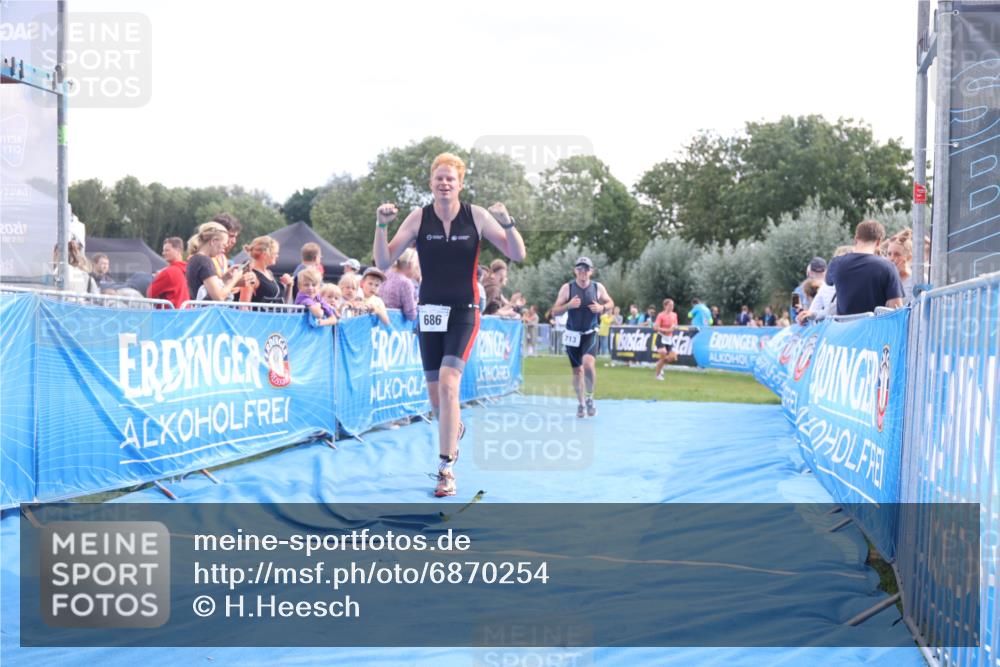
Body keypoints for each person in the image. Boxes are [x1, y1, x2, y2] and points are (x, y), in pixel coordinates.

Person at [373, 152, 526, 497]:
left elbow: (517, 254)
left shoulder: (476, 216)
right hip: (430, 310)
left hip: (463, 310)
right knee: (436, 397)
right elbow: (383, 260)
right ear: (431, 183)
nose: (444, 183)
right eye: (439, 178)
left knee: (448, 382)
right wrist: (381, 225)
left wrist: (508, 223)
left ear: (459, 183)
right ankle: (451, 428)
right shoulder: (418, 218)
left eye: (450, 179)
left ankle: (446, 469)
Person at [550, 256, 614, 418]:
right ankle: (581, 404)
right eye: (580, 269)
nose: (583, 272)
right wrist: (568, 305)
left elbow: (611, 303)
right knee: (577, 371)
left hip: (590, 333)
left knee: (588, 364)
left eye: (586, 269)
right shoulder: (567, 288)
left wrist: (602, 307)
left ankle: (590, 397)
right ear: (575, 271)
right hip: (572, 335)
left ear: (591, 271)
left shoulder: (597, 287)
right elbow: (554, 311)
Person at [825, 220, 904, 316]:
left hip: (844, 328)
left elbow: (828, 282)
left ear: (856, 238)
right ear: (879, 241)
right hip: (875, 329)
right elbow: (896, 309)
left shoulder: (836, 263)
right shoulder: (888, 267)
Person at [186, 222, 244, 302]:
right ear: (214, 241)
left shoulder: (194, 258)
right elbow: (219, 297)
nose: (223, 250)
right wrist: (235, 279)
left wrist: (224, 279)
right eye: (223, 245)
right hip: (208, 313)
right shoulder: (205, 261)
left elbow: (205, 288)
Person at [239, 236, 291, 305]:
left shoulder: (270, 273)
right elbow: (244, 306)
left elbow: (283, 303)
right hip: (258, 315)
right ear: (265, 255)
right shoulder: (251, 276)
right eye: (275, 253)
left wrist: (290, 285)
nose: (277, 256)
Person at [147, 237, 189, 308]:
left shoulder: (169, 272)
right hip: (185, 314)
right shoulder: (187, 269)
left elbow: (149, 293)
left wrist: (158, 277)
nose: (163, 253)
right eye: (163, 251)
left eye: (167, 250)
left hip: (169, 316)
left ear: (178, 251)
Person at [379, 247, 418, 320]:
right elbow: (411, 315)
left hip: (381, 322)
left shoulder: (386, 273)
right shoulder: (405, 283)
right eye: (417, 263)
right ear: (410, 264)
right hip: (397, 325)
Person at [653, 298, 678, 380]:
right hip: (661, 337)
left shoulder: (674, 315)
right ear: (665, 306)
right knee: (663, 353)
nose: (672, 307)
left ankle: (660, 364)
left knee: (673, 357)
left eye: (673, 305)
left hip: (669, 338)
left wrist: (674, 327)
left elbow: (675, 325)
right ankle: (658, 375)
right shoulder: (661, 315)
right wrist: (667, 330)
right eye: (670, 305)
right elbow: (656, 328)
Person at [887, 229, 914, 302]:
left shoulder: (918, 279)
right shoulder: (885, 279)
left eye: (897, 254)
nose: (891, 258)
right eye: (889, 254)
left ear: (908, 257)